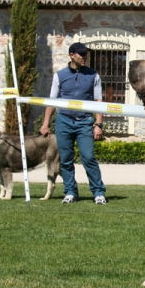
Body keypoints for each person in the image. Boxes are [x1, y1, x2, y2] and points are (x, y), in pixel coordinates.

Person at [40, 42, 107, 205]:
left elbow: (98, 101)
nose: (85, 57)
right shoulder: (60, 75)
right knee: (65, 159)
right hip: (64, 122)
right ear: (72, 55)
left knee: (88, 157)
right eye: (81, 54)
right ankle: (70, 192)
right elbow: (52, 101)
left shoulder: (93, 75)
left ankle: (98, 193)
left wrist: (98, 125)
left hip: (85, 123)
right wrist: (45, 123)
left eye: (86, 54)